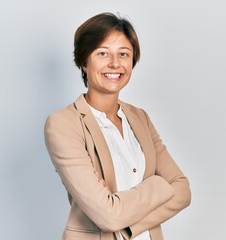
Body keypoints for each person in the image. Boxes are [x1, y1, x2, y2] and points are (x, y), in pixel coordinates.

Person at [44, 12, 191, 240]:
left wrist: (128, 226)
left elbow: (182, 190)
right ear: (84, 61)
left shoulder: (140, 118)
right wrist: (160, 184)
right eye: (103, 53)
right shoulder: (63, 124)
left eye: (123, 54)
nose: (115, 63)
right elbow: (108, 217)